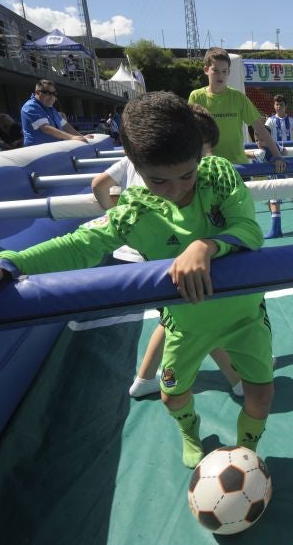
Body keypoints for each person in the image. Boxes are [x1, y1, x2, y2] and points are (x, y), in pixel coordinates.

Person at [0, 91, 274, 469]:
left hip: (244, 317)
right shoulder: (135, 210)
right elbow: (78, 245)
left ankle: (248, 449)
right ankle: (189, 432)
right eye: (159, 180)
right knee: (171, 397)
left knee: (262, 393)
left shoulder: (217, 174)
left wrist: (205, 246)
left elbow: (249, 229)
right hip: (185, 323)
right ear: (133, 163)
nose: (177, 189)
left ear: (200, 156)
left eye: (187, 173)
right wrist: (8, 263)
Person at [89, 105, 244, 400]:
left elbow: (99, 185)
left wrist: (115, 215)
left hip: (143, 253)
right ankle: (236, 378)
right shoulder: (172, 177)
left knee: (173, 315)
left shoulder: (134, 160)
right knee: (195, 316)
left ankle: (145, 377)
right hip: (160, 253)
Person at [187, 47, 285, 170]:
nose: (220, 75)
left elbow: (260, 128)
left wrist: (277, 156)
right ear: (206, 70)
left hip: (239, 168)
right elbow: (192, 133)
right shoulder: (196, 96)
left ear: (229, 72)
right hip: (210, 168)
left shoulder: (239, 98)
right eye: (215, 70)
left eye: (224, 71)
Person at [261, 94, 293, 239]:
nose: (279, 107)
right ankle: (276, 226)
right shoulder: (270, 121)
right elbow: (263, 136)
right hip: (273, 156)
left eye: (281, 105)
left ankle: (276, 228)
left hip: (284, 156)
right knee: (273, 193)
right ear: (274, 106)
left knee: (275, 192)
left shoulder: (290, 120)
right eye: (277, 105)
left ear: (286, 106)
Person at [21, 79, 92, 146]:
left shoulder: (50, 108)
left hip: (53, 148)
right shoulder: (30, 106)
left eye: (54, 93)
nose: (52, 96)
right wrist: (72, 137)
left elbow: (65, 125)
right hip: (38, 151)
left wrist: (81, 136)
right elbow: (46, 128)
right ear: (37, 92)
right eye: (48, 93)